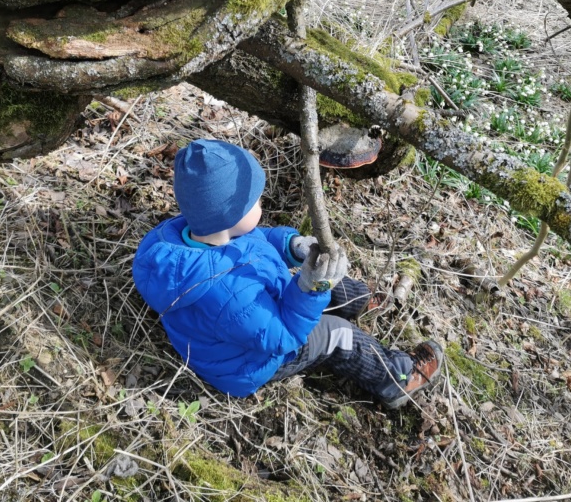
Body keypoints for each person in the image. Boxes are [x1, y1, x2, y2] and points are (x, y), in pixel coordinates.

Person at [131, 138, 443, 408]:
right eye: (254, 199)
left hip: (258, 315)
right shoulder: (224, 294)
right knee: (335, 332)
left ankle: (361, 301)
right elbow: (284, 337)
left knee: (321, 270)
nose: (260, 201)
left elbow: (257, 240)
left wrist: (291, 246)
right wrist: (311, 288)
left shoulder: (202, 233)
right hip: (252, 361)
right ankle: (396, 379)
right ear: (229, 215)